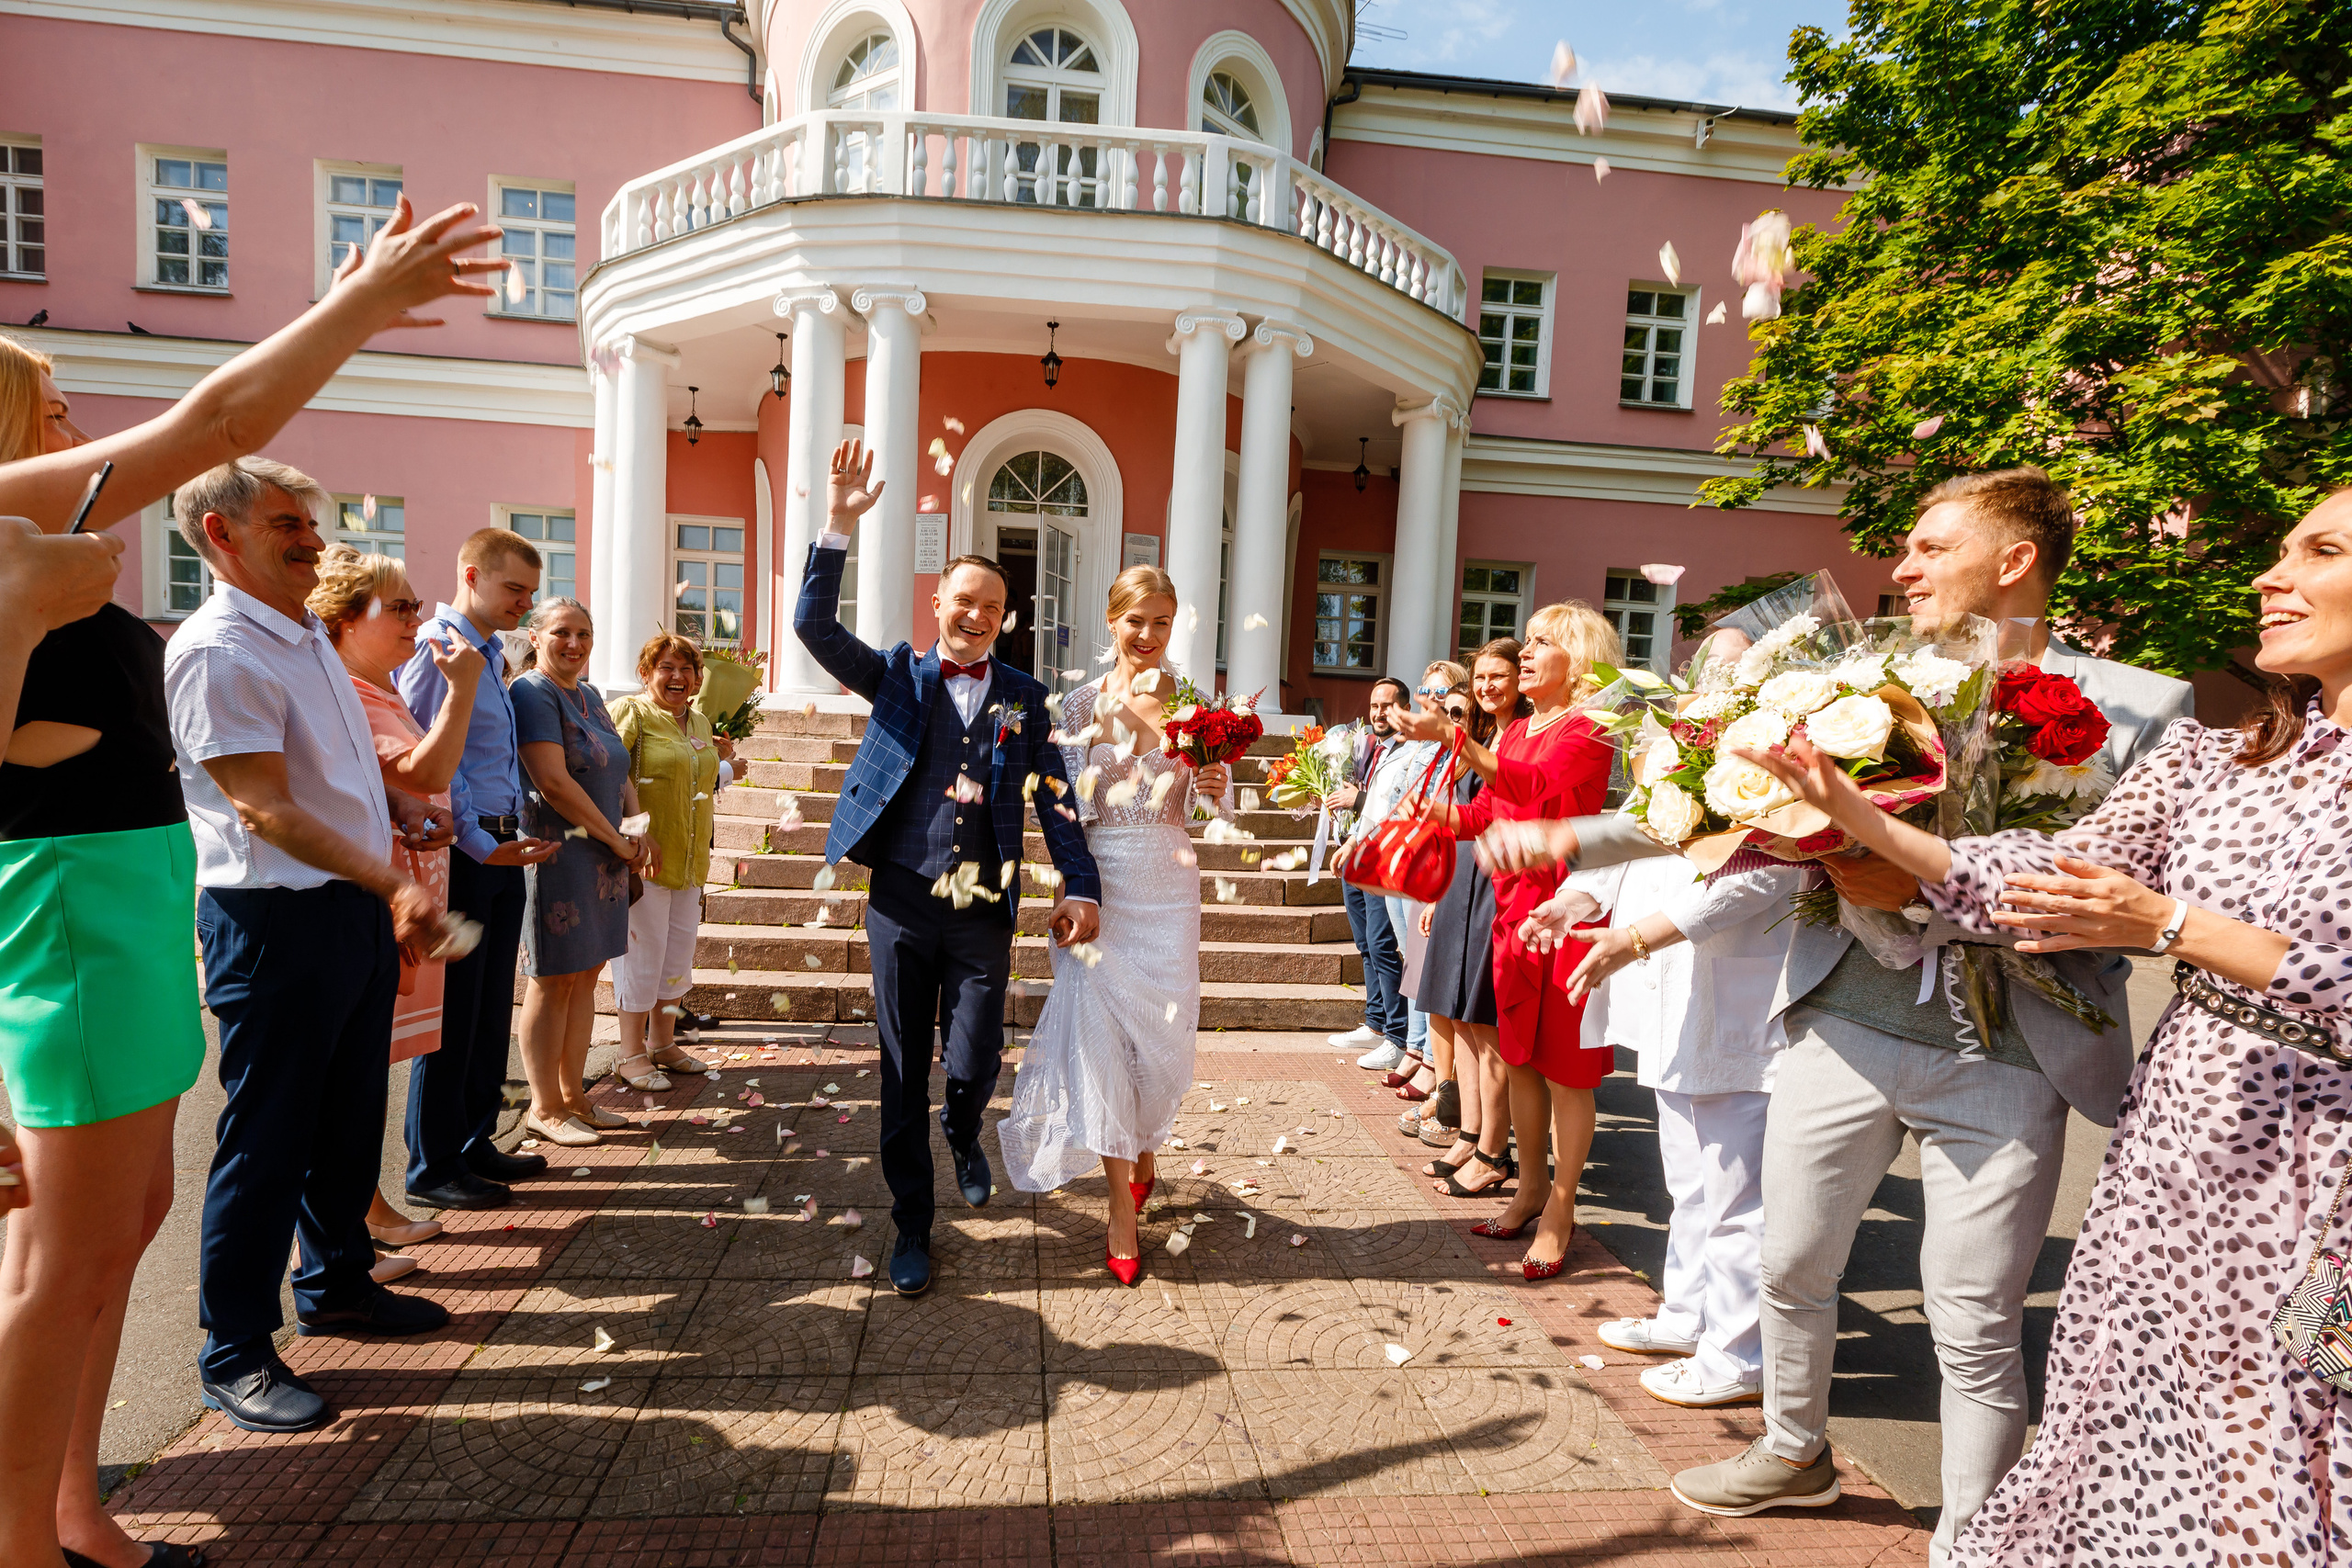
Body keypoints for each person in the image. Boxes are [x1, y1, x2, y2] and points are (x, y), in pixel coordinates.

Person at [1482, 468, 2196, 1557]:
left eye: (1929, 548)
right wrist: (1573, 839)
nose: (1900, 569)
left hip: (2011, 1054)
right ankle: (1792, 1451)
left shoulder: (2142, 706)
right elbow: (1719, 797)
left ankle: (1971, 1537)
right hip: (1846, 1023)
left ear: (2013, 562)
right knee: (1789, 1265)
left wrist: (1925, 887)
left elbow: (2123, 894)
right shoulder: (1858, 678)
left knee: (1972, 1318)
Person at [1708, 487, 2351, 1564]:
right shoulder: (2230, 752)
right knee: (2146, 1402)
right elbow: (2044, 868)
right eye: (2278, 549)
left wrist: (2171, 925)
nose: (2268, 575)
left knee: (2300, 1404)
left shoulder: (2155, 714)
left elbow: (2161, 919)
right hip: (2182, 1140)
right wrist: (1857, 817)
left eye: (2318, 550)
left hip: (2321, 1165)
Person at [0, 198, 498, 1568]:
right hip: (78, 916)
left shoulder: (39, 539)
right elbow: (214, 420)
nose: (74, 430)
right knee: (68, 1251)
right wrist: (361, 304)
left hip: (124, 907)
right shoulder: (10, 528)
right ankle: (23, 1535)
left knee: (121, 1225)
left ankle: (73, 1508)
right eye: (49, 408)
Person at [166, 458, 456, 1438]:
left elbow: (336, 776)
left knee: (345, 1118)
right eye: (288, 523)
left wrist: (396, 825)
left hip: (348, 908)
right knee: (267, 1138)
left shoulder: (301, 637)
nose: (312, 541)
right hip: (273, 920)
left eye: (312, 523)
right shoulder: (218, 650)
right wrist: (392, 881)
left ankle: (337, 1284)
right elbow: (262, 807)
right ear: (220, 534)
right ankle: (235, 1351)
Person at [794, 438, 1101, 1300]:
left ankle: (964, 1128)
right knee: (901, 1070)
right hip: (899, 898)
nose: (976, 615)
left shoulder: (1026, 697)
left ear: (1006, 617)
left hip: (981, 907)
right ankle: (912, 1223)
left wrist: (1080, 883)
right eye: (964, 600)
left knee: (973, 1059)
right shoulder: (898, 674)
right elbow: (813, 627)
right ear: (937, 603)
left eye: (992, 606)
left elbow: (1055, 795)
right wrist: (838, 522)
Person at [998, 566, 1233, 1283]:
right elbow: (1062, 811)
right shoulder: (1076, 706)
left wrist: (1218, 787)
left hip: (1169, 887)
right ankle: (1120, 1207)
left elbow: (1214, 811)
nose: (1148, 634)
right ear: (1112, 620)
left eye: (1162, 621)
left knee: (1159, 1052)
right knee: (1099, 1043)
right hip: (1100, 889)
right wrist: (1074, 885)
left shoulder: (1197, 708)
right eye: (1136, 620)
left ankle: (1144, 1144)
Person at [1390, 603, 1620, 1281]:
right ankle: (1528, 1190)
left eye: (1542, 641)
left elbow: (1536, 785)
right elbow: (1493, 810)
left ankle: (1560, 1209)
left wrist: (1454, 738)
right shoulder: (1519, 728)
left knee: (1565, 1070)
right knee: (1519, 1059)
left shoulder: (1590, 726)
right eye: (1529, 639)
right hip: (1513, 914)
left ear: (1578, 658)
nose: (1526, 652)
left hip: (1568, 913)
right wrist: (1440, 813)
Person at [311, 543, 519, 1277]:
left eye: (413, 604)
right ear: (345, 618)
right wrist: (461, 689)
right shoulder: (360, 688)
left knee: (374, 1066)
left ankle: (367, 1210)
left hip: (413, 886)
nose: (414, 617)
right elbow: (430, 764)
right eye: (398, 606)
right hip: (378, 898)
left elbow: (407, 783)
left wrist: (415, 810)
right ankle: (353, 1229)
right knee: (352, 1075)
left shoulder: (380, 689)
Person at [1551, 847, 1801, 1409]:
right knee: (1688, 1184)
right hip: (1671, 994)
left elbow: (1767, 868)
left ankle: (1737, 1357)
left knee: (1738, 1198)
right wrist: (1577, 899)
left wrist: (1638, 937)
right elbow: (1638, 834)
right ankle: (1688, 1316)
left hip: (1734, 986)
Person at [398, 526, 563, 1211]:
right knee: (453, 1015)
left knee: (490, 1008)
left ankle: (473, 1141)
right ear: (470, 575)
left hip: (498, 846)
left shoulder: (492, 654)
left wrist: (508, 835)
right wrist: (476, 840)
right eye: (513, 589)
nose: (525, 604)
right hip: (461, 853)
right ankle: (432, 1163)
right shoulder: (438, 649)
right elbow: (425, 758)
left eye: (531, 592)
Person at [510, 598, 652, 1134]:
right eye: (561, 633)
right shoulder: (533, 692)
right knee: (553, 978)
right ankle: (545, 1107)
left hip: (605, 856)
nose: (575, 644)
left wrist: (636, 830)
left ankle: (576, 1098)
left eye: (584, 634)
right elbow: (552, 781)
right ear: (535, 637)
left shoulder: (589, 694)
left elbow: (620, 770)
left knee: (586, 975)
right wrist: (617, 839)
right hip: (558, 853)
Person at [603, 632, 740, 1118]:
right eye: (666, 667)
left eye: (687, 669)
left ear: (698, 678)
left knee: (676, 956)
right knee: (641, 956)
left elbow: (697, 778)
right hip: (646, 860)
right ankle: (629, 1053)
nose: (678, 677)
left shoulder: (698, 720)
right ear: (646, 673)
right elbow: (609, 774)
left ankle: (662, 1044)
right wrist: (637, 832)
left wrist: (724, 763)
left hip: (690, 860)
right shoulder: (632, 713)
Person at [1413, 642, 1530, 1188]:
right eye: (1480, 676)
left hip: (1494, 879)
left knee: (1485, 1020)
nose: (1486, 686)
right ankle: (1470, 1133)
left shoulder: (1518, 737)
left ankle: (1493, 1149)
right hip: (1462, 877)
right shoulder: (1486, 735)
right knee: (1459, 1013)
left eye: (1498, 675)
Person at [1327, 679, 1409, 1066]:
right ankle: (1376, 1023)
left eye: (1387, 706)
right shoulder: (1373, 748)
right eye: (1375, 706)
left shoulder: (1410, 751)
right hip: (1358, 854)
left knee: (1382, 945)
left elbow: (1399, 804)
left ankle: (1398, 1035)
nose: (1379, 713)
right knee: (1365, 944)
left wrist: (1356, 799)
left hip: (1384, 860)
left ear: (1404, 708)